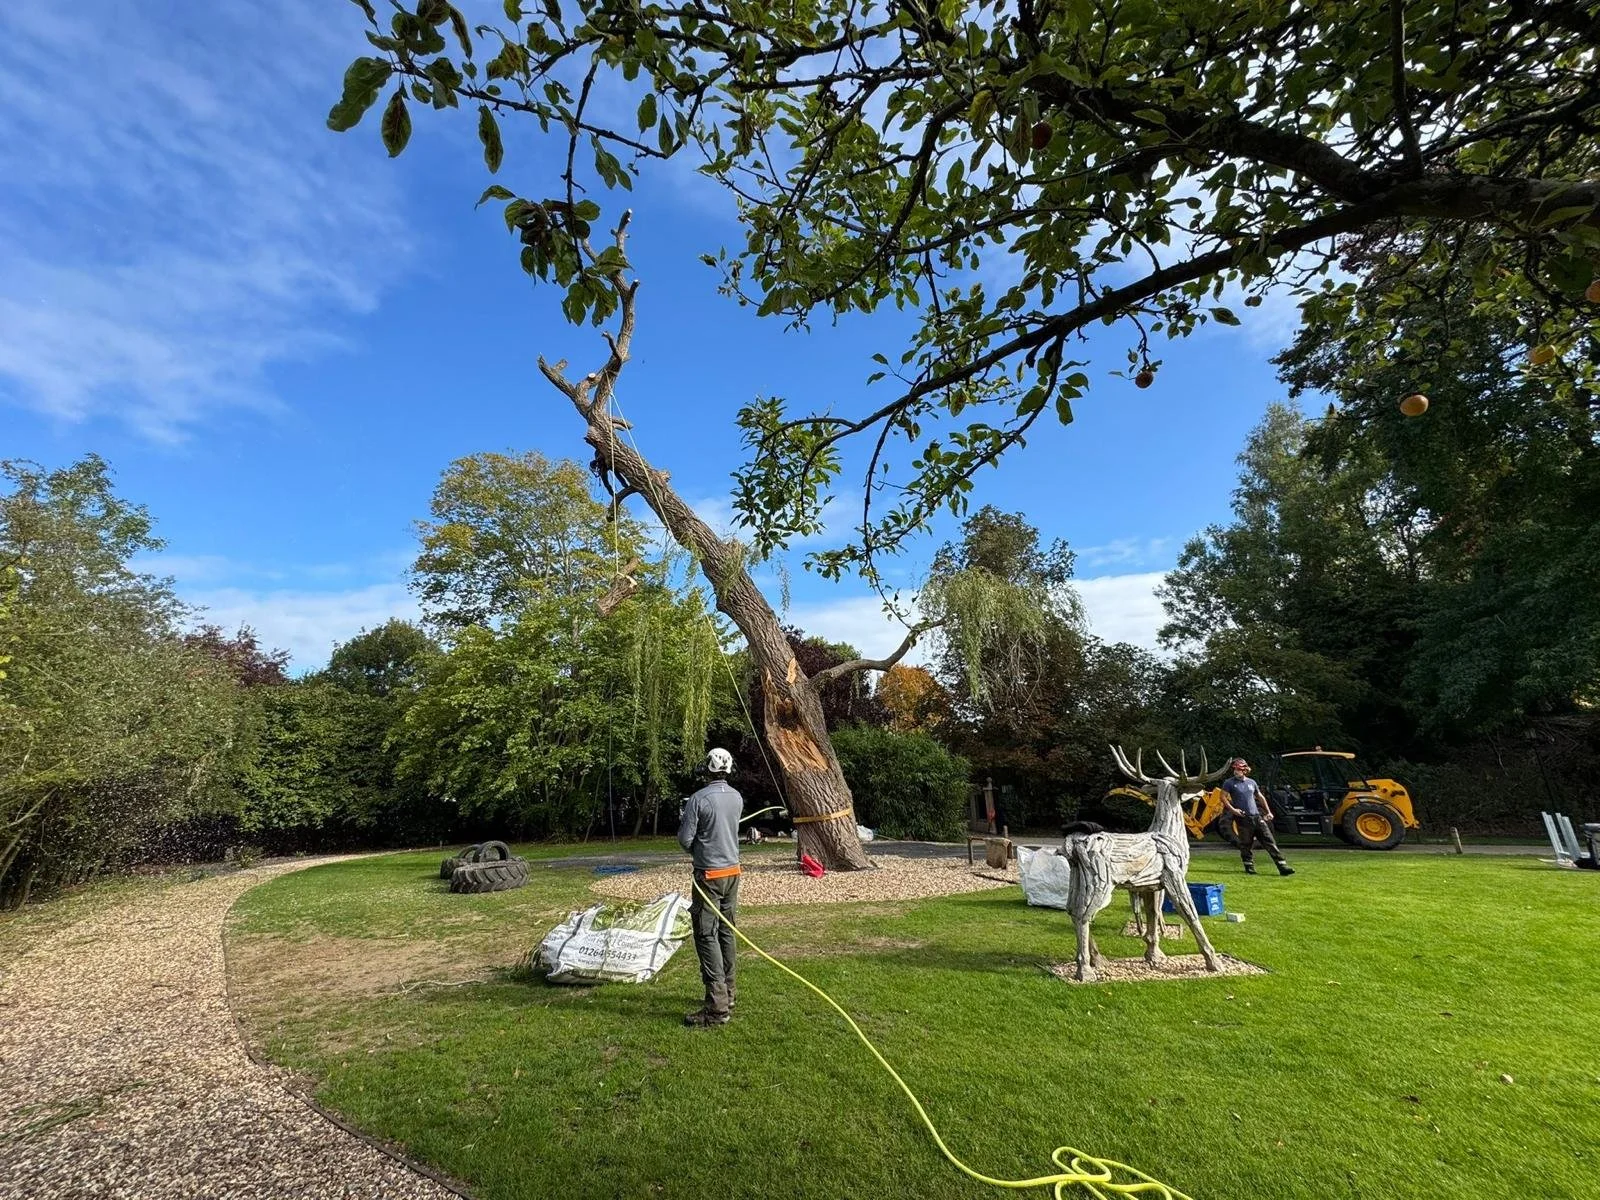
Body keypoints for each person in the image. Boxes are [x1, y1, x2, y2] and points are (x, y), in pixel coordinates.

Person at [678, 747, 744, 1027]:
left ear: (708, 767)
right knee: (726, 932)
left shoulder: (698, 799)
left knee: (707, 935)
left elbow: (685, 839)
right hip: (733, 874)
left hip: (709, 876)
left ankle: (717, 1009)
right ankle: (728, 993)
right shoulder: (737, 797)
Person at [1220, 757, 1295, 876]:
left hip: (1257, 817)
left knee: (1269, 840)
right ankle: (1249, 866)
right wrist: (1233, 810)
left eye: (1238, 770)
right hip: (1243, 819)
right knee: (1246, 844)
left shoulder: (1252, 782)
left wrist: (1268, 812)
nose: (1236, 772)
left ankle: (1282, 866)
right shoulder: (1229, 783)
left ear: (1245, 770)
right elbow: (1222, 797)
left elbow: (1260, 797)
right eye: (1235, 769)